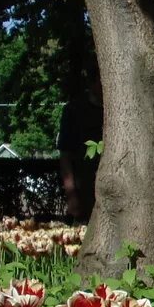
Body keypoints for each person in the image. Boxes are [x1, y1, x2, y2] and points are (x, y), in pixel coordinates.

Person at [57, 65, 102, 221]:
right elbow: (65, 154)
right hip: (85, 192)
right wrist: (71, 194)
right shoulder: (74, 111)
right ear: (92, 82)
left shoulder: (119, 111)